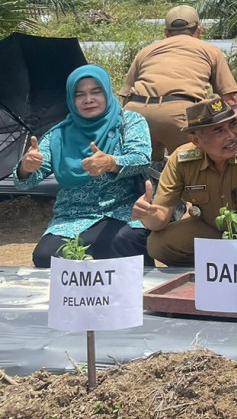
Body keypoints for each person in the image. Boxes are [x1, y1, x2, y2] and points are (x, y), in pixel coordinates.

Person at [14, 65, 151, 267]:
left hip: (121, 212)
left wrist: (111, 163)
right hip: (72, 218)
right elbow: (24, 183)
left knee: (120, 242)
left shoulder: (129, 121)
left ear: (107, 91)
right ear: (71, 99)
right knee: (46, 256)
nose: (88, 99)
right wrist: (26, 167)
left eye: (96, 91)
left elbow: (141, 157)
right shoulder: (58, 135)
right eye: (80, 95)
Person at [132, 97, 237, 266]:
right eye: (219, 131)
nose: (231, 135)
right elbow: (160, 217)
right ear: (196, 140)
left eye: (233, 124)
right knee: (158, 244)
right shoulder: (181, 160)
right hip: (213, 228)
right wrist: (147, 215)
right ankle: (214, 270)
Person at [119, 5, 237, 166]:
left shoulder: (146, 51)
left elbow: (126, 95)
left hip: (135, 110)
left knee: (140, 171)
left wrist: (128, 125)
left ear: (166, 33)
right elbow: (230, 100)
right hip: (178, 112)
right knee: (193, 169)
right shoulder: (210, 51)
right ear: (199, 29)